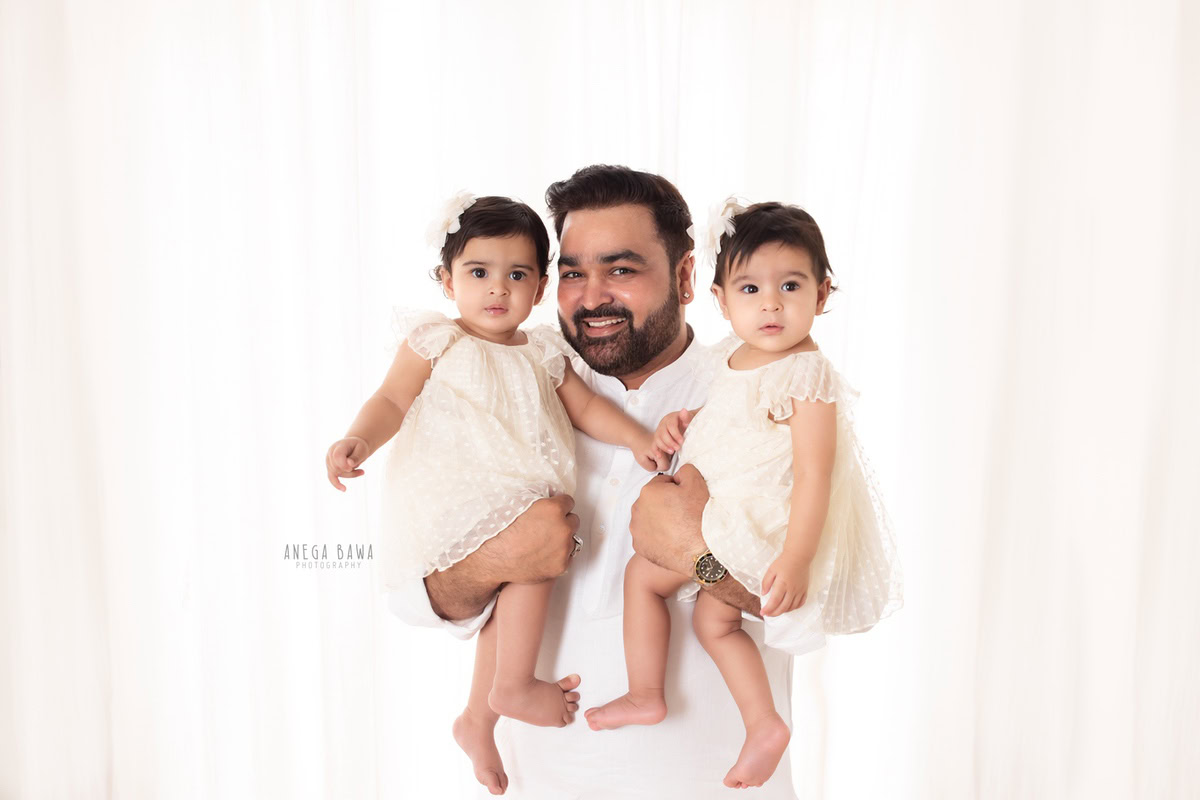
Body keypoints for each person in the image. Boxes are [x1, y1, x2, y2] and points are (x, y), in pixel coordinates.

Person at [388, 165, 803, 799]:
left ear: (686, 277)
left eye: (622, 269)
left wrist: (699, 556)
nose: (592, 296)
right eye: (574, 273)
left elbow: (821, 602)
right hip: (541, 783)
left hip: (713, 784)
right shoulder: (510, 383)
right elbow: (408, 594)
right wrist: (496, 559)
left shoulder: (760, 393)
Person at [325, 193, 667, 794]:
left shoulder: (543, 351)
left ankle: (477, 719)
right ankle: (512, 686)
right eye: (478, 272)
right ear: (446, 280)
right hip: (462, 491)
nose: (497, 289)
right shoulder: (436, 340)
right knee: (531, 557)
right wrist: (359, 439)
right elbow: (391, 400)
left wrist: (638, 437)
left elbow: (587, 409)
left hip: (523, 493)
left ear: (539, 288)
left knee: (522, 577)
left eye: (517, 275)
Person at [584, 199, 904, 789]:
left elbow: (815, 473)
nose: (771, 304)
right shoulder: (731, 355)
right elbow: (726, 413)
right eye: (751, 289)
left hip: (757, 519)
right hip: (722, 505)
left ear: (823, 294)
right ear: (721, 299)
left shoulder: (807, 375)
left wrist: (797, 557)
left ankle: (663, 696)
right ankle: (752, 721)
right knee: (704, 617)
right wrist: (683, 422)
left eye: (790, 286)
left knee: (656, 586)